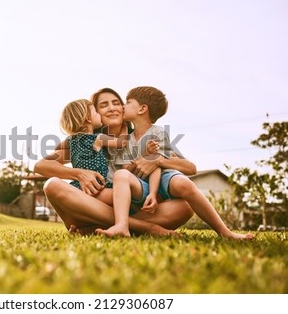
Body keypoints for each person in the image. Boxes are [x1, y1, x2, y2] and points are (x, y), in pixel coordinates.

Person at [96, 86, 253, 240]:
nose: (123, 106)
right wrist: (144, 159)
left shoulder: (157, 133)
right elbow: (127, 169)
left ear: (142, 109)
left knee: (184, 184)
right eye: (104, 105)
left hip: (162, 177)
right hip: (140, 185)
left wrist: (155, 170)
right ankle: (125, 226)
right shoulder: (124, 142)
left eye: (127, 102)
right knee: (122, 175)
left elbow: (175, 166)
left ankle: (224, 231)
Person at [35, 87, 195, 236]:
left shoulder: (143, 137)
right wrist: (78, 173)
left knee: (184, 207)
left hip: (136, 207)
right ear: (93, 114)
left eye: (117, 103)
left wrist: (158, 161)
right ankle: (143, 227)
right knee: (52, 185)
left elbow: (189, 167)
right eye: (104, 105)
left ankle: (105, 227)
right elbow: (41, 165)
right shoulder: (87, 142)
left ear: (124, 108)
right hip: (91, 205)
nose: (112, 108)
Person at [59, 98, 159, 206]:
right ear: (88, 118)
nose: (98, 115)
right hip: (99, 187)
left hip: (79, 186)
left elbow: (57, 148)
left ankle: (75, 222)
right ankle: (136, 222)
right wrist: (124, 128)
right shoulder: (98, 138)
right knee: (125, 197)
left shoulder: (70, 140)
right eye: (96, 113)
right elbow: (121, 143)